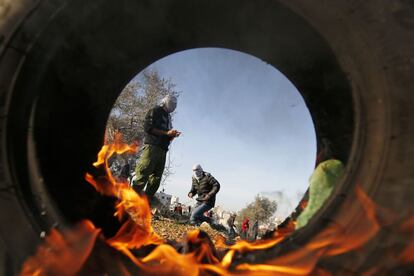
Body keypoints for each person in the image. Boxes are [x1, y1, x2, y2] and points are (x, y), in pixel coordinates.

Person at [132, 95, 181, 203]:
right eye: (171, 103)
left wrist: (172, 135)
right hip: (152, 147)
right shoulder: (155, 110)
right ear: (165, 101)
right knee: (143, 174)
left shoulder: (168, 117)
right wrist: (166, 133)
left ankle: (144, 204)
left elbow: (167, 134)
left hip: (163, 150)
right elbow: (148, 128)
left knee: (156, 179)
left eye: (175, 105)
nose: (173, 106)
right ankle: (129, 201)